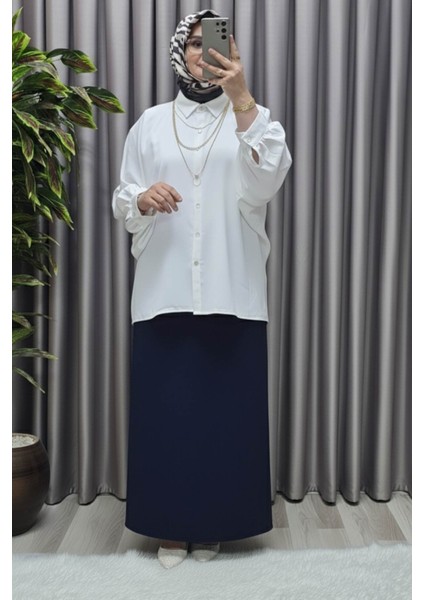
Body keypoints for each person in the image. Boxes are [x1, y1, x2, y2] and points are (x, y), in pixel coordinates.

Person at [112, 9, 292, 570]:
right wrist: (141, 200)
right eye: (193, 43)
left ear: (230, 51)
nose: (202, 52)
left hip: (230, 288)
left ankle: (213, 524)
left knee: (223, 417)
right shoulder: (149, 124)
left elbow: (267, 180)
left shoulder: (255, 120)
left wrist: (242, 98)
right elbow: (124, 195)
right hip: (164, 291)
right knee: (167, 416)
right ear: (179, 52)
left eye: (214, 43)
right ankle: (170, 528)